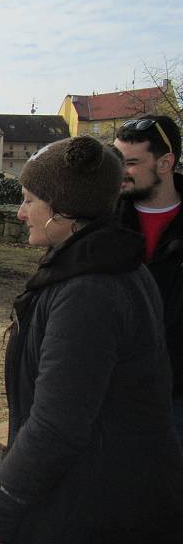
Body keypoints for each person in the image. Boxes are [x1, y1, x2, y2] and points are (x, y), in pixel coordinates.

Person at [0, 136, 183, 544]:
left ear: (64, 211)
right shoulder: (108, 266)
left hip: (99, 506)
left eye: (30, 200)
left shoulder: (89, 290)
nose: (20, 213)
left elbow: (58, 424)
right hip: (106, 491)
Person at [113, 115, 183, 442]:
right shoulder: (104, 224)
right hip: (116, 388)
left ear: (165, 162)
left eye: (131, 162)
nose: (120, 172)